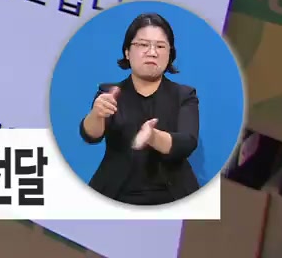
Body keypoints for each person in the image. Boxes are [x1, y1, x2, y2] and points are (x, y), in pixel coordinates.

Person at [79, 12, 200, 206]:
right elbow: (90, 136)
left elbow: (187, 142)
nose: (152, 52)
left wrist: (152, 137)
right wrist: (96, 114)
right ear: (127, 52)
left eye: (160, 46)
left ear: (170, 54)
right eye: (143, 45)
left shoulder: (184, 95)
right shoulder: (109, 92)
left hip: (171, 197)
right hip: (115, 193)